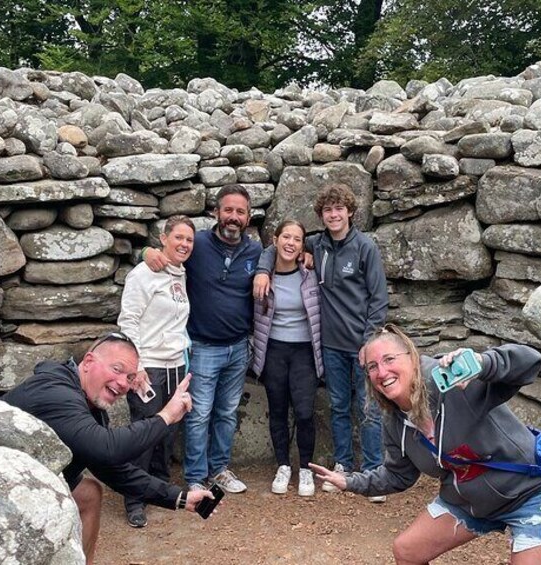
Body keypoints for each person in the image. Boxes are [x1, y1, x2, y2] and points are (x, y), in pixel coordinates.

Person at [309, 325, 541, 565]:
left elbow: (530, 361)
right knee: (407, 551)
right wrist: (350, 482)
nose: (382, 372)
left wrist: (483, 363)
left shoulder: (454, 381)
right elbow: (398, 475)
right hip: (469, 503)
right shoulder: (394, 421)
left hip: (526, 494)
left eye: (389, 359)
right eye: (372, 367)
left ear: (412, 357)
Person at [1, 333, 214, 565]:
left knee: (89, 493)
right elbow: (107, 448)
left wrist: (181, 498)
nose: (123, 383)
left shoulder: (89, 406)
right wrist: (165, 417)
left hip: (29, 479)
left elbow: (112, 468)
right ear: (89, 362)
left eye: (130, 377)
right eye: (117, 369)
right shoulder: (56, 391)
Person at [254, 183, 388, 501]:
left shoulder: (365, 247)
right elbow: (279, 246)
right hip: (330, 346)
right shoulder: (318, 244)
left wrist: (369, 342)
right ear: (321, 215)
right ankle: (342, 465)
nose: (333, 215)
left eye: (339, 209)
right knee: (339, 408)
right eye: (327, 210)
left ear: (350, 212)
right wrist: (262, 268)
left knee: (369, 409)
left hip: (362, 346)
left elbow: (379, 298)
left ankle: (373, 473)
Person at [143, 185, 262, 494]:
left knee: (226, 413)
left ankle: (219, 469)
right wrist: (148, 252)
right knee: (198, 414)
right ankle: (196, 476)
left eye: (240, 212)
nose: (233, 217)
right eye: (228, 210)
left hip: (238, 347)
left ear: (248, 217)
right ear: (216, 213)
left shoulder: (254, 251)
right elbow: (168, 253)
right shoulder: (199, 246)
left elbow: (281, 256)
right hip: (203, 346)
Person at [117, 215, 196, 528]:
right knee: (144, 434)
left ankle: (160, 488)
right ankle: (134, 499)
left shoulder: (181, 273)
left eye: (189, 240)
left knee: (167, 432)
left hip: (176, 364)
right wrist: (134, 366)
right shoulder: (143, 273)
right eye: (178, 237)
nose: (184, 244)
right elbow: (128, 321)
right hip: (148, 366)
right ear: (163, 238)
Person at [251, 220, 324, 496]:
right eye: (286, 237)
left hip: (304, 350)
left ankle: (306, 467)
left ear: (302, 244)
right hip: (273, 350)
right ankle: (283, 465)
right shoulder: (262, 274)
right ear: (275, 239)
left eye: (297, 239)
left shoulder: (310, 273)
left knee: (305, 411)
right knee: (278, 410)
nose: (290, 243)